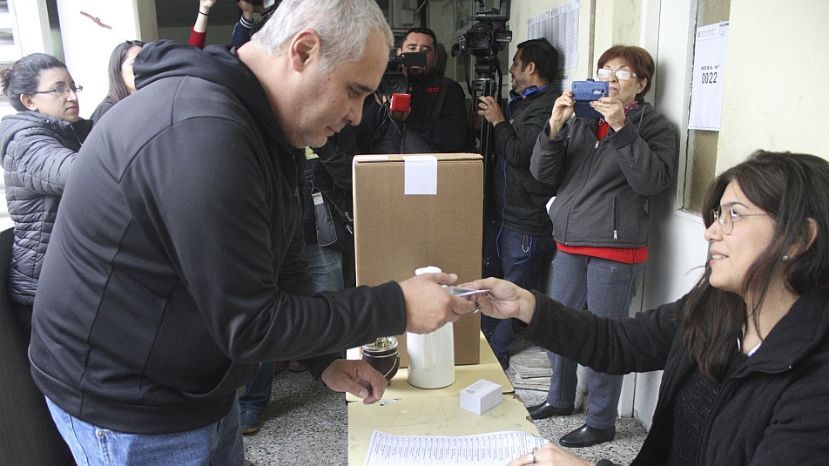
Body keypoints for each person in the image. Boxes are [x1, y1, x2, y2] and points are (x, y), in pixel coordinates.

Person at [27, 1, 475, 464]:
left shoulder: (267, 124)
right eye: (354, 91)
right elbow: (251, 324)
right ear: (303, 51)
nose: (358, 116)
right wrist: (396, 305)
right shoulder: (205, 133)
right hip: (130, 403)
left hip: (195, 381)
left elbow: (286, 257)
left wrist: (325, 358)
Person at [470, 150, 829, 465]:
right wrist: (524, 304)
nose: (711, 233)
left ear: (798, 239)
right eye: (718, 214)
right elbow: (618, 342)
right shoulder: (717, 309)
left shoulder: (815, 382)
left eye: (734, 215)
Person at [526, 44, 677, 447]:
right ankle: (559, 399)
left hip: (616, 248)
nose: (609, 78)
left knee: (606, 337)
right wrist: (555, 128)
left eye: (622, 72)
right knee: (558, 325)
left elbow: (652, 182)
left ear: (641, 84)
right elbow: (543, 174)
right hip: (569, 241)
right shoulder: (580, 121)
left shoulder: (654, 127)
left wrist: (622, 129)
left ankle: (601, 420)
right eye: (603, 69)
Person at [476, 38, 560, 370]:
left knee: (514, 289)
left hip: (527, 218)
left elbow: (518, 154)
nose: (511, 70)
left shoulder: (544, 107)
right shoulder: (525, 103)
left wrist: (498, 121)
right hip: (508, 213)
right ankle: (489, 344)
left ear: (531, 68)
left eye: (515, 63)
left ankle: (494, 355)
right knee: (502, 282)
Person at [0, 53, 92, 340]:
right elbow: (78, 173)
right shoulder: (25, 142)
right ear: (30, 101)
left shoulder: (74, 131)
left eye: (73, 86)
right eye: (58, 89)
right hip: (44, 290)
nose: (70, 96)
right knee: (63, 382)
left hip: (73, 280)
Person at [360, 27, 470, 154]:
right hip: (383, 168)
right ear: (399, 52)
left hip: (427, 169)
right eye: (412, 48)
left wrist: (413, 118)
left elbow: (456, 140)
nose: (418, 54)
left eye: (425, 50)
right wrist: (378, 103)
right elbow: (359, 138)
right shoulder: (379, 85)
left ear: (435, 58)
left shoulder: (447, 88)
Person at [90, 40, 145, 124]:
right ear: (119, 71)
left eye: (146, 62)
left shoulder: (143, 103)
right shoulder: (107, 110)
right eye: (134, 62)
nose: (143, 67)